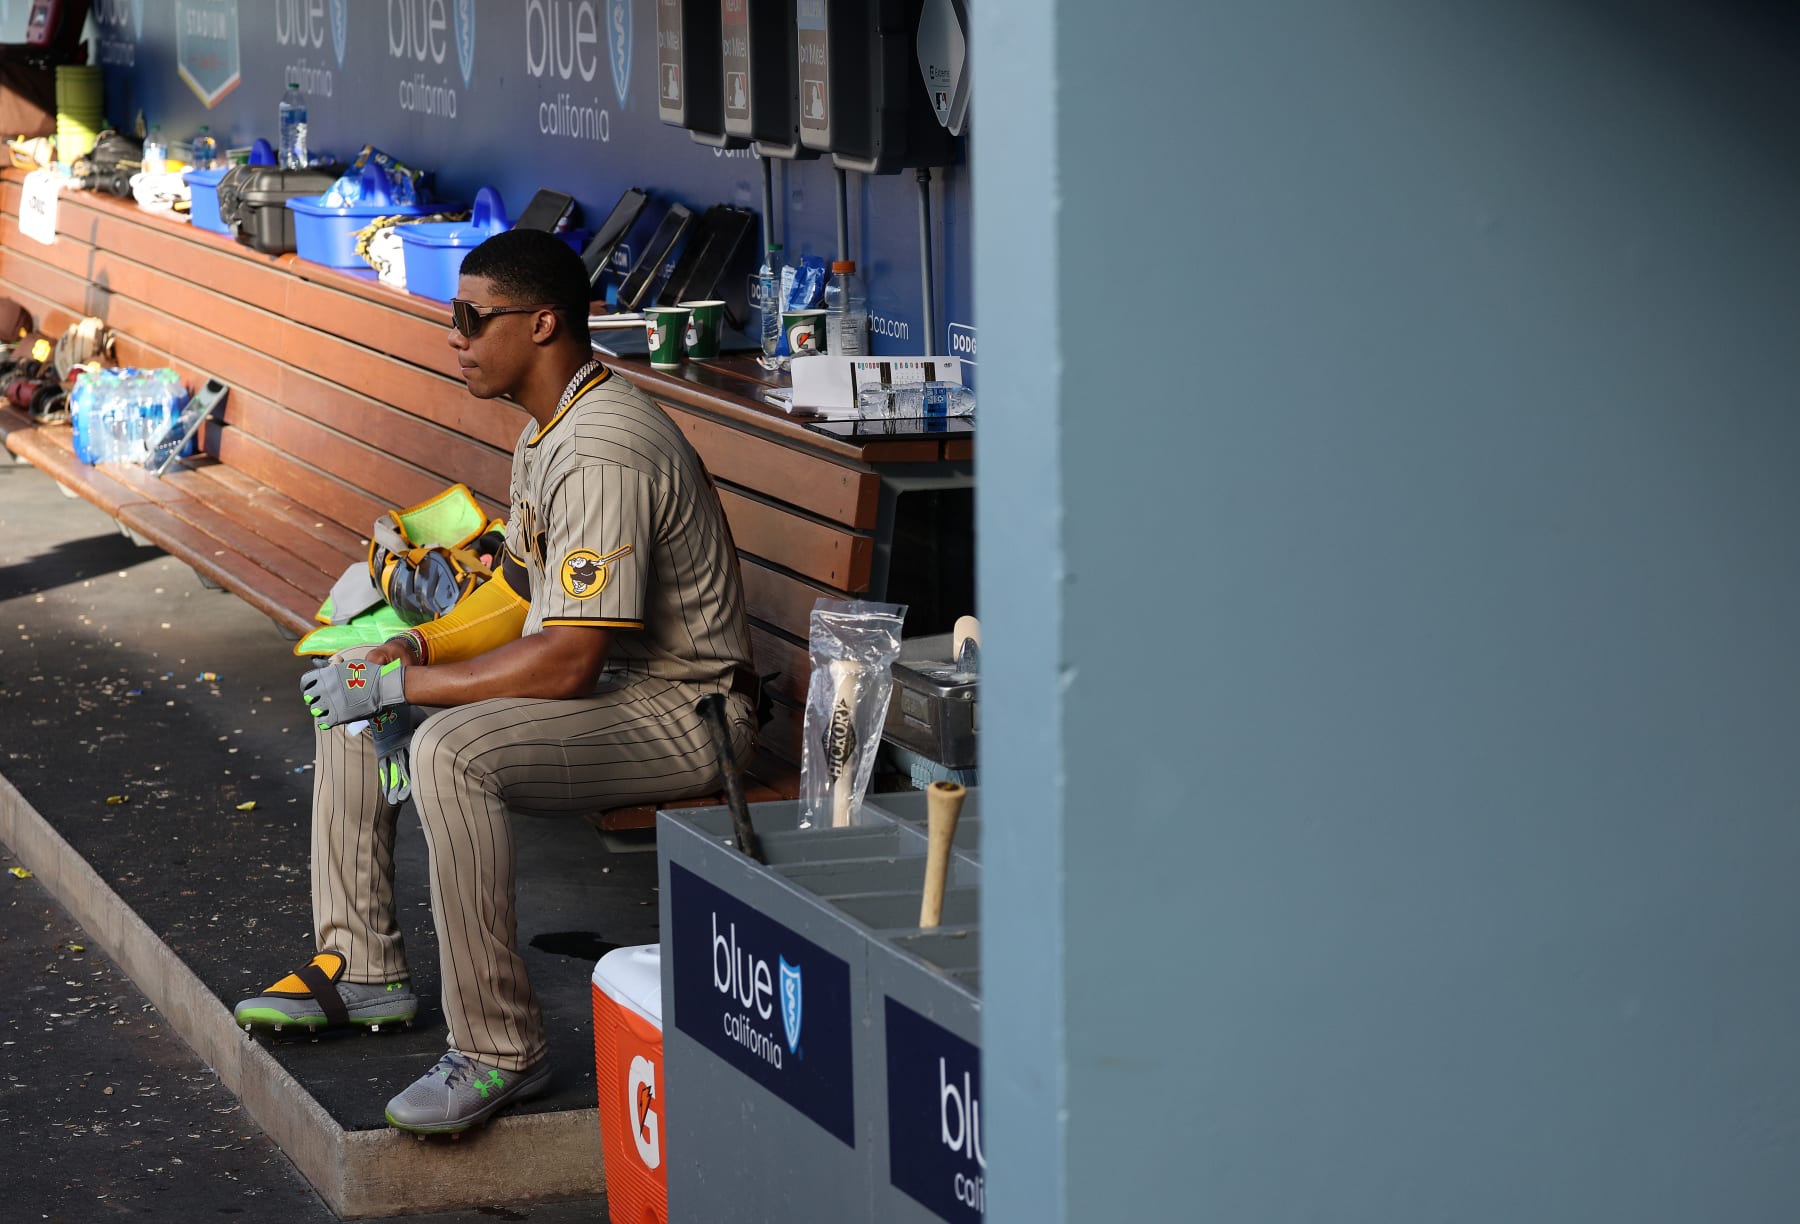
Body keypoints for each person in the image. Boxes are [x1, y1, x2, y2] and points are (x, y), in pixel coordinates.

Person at [233, 229, 756, 1134]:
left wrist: (417, 693)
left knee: (447, 748)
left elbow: (568, 658)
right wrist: (411, 656)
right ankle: (361, 968)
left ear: (543, 322)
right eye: (454, 314)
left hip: (688, 710)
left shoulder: (602, 447)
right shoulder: (549, 428)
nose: (456, 335)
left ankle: (498, 1048)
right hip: (614, 690)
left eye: (473, 317)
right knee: (351, 689)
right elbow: (518, 592)